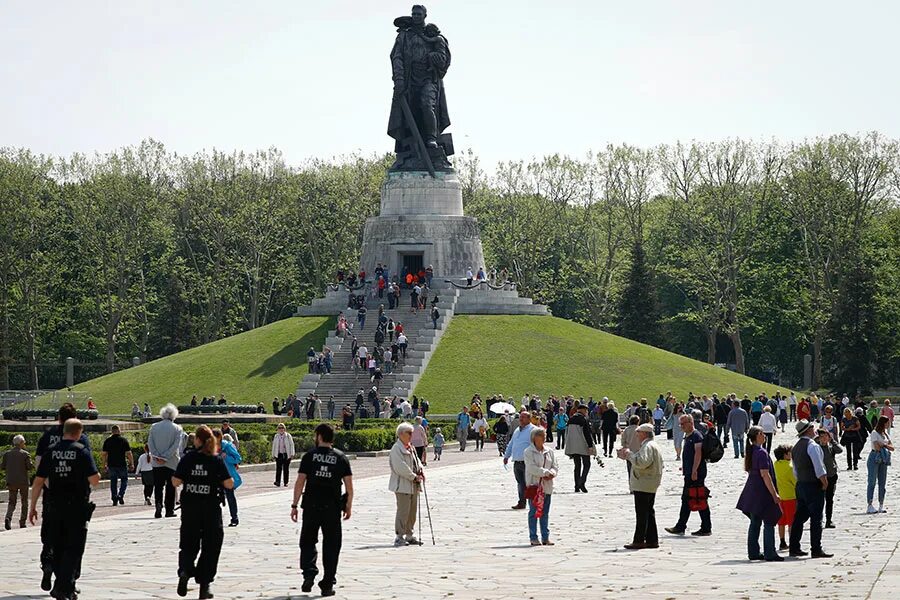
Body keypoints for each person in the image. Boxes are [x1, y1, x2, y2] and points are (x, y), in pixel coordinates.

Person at [28, 418, 100, 600]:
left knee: (58, 546)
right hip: (76, 507)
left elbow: (38, 482)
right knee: (74, 548)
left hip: (54, 506)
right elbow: (94, 480)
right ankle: (64, 586)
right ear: (78, 433)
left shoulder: (51, 453)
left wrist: (32, 507)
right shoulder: (81, 451)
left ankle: (61, 583)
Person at [291, 423, 353, 597]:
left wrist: (294, 505)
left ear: (318, 436)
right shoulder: (341, 457)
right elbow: (349, 486)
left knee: (308, 541)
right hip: (332, 508)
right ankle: (327, 584)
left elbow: (300, 482)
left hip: (311, 505)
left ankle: (309, 573)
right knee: (332, 545)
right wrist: (348, 506)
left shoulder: (309, 456)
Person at [172, 425, 233, 599]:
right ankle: (204, 585)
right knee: (211, 546)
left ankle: (185, 570)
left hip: (190, 509)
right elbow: (229, 483)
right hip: (210, 510)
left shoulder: (188, 458)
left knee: (188, 544)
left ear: (197, 440)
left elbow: (176, 482)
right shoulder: (215, 460)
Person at [735, 426, 783, 561]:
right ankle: (770, 552)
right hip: (762, 491)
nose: (764, 435)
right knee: (769, 520)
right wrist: (774, 494)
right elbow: (765, 474)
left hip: (752, 489)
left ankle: (753, 552)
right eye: (761, 433)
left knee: (755, 522)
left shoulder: (752, 451)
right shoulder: (761, 452)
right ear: (756, 436)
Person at [788, 420, 833, 558]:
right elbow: (819, 467)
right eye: (812, 427)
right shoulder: (812, 446)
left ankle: (794, 547)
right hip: (813, 485)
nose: (814, 430)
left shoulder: (795, 447)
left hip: (801, 484)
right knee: (816, 518)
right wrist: (824, 482)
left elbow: (795, 470)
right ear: (808, 430)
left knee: (799, 517)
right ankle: (816, 549)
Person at [618, 423, 663, 550]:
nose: (637, 435)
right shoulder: (652, 445)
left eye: (638, 432)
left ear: (644, 433)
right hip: (650, 482)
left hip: (644, 482)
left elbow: (642, 462)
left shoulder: (648, 446)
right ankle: (652, 539)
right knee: (649, 512)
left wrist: (629, 454)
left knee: (642, 513)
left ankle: (639, 540)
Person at [665, 414, 712, 536]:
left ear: (691, 423)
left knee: (697, 497)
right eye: (680, 424)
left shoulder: (696, 436)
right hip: (690, 472)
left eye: (683, 424)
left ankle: (697, 527)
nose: (681, 426)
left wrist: (694, 470)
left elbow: (698, 454)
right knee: (691, 498)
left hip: (696, 473)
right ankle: (687, 526)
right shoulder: (689, 436)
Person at [389, 422, 424, 546]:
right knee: (403, 511)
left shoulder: (410, 447)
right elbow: (400, 467)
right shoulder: (396, 448)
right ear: (401, 434)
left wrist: (420, 470)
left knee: (412, 511)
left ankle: (410, 534)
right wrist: (413, 476)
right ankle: (399, 536)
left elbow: (417, 461)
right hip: (402, 485)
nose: (411, 435)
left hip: (413, 485)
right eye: (409, 433)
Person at [148, 403, 185, 519]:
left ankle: (158, 505)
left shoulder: (154, 427)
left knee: (158, 486)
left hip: (156, 462)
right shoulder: (177, 428)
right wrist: (165, 457)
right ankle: (169, 510)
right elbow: (176, 446)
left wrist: (157, 456)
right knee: (171, 487)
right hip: (171, 462)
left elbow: (150, 443)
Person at [524, 427, 558, 546]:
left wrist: (552, 473)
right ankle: (533, 537)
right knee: (533, 512)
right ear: (534, 438)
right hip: (534, 486)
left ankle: (545, 537)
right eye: (541, 436)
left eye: (544, 436)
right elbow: (531, 468)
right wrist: (545, 473)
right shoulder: (529, 451)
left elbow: (554, 465)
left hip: (547, 486)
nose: (543, 438)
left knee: (545, 512)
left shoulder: (549, 451)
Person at [504, 412, 536, 510]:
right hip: (517, 462)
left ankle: (533, 503)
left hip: (528, 462)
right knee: (520, 483)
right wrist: (506, 456)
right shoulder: (517, 430)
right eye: (520, 417)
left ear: (529, 419)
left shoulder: (533, 430)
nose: (521, 419)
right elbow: (512, 443)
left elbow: (537, 445)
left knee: (529, 483)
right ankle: (522, 502)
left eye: (523, 417)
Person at [2, 434, 33, 530]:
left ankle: (8, 517)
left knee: (12, 501)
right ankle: (22, 522)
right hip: (23, 481)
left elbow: (2, 466)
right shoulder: (25, 454)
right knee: (24, 502)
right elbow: (29, 467)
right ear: (21, 443)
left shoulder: (7, 454)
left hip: (11, 481)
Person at [565, 404, 596, 493]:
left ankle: (576, 486)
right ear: (582, 410)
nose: (587, 412)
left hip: (573, 446)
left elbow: (567, 433)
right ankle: (582, 482)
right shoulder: (583, 419)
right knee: (587, 464)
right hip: (583, 445)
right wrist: (590, 446)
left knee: (577, 466)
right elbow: (587, 433)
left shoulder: (570, 419)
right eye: (586, 411)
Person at [100, 425, 134, 506]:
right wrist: (131, 463)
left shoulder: (107, 441)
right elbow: (129, 453)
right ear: (119, 431)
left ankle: (114, 498)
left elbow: (104, 454)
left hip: (112, 464)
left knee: (113, 482)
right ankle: (121, 495)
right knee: (124, 480)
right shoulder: (123, 440)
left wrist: (104, 464)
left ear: (112, 431)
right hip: (122, 464)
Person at [866, 416, 894, 514]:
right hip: (875, 457)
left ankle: (881, 504)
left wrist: (883, 445)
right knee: (872, 481)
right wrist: (885, 445)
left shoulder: (885, 434)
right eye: (887, 423)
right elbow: (877, 447)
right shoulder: (874, 433)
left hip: (884, 458)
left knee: (882, 482)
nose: (889, 424)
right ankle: (869, 504)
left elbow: (892, 447)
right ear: (883, 423)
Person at [214, 430, 242, 527]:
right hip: (215, 477)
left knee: (230, 497)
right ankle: (215, 519)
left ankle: (234, 518)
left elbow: (238, 458)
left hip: (227, 476)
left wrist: (226, 457)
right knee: (214, 498)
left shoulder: (227, 446)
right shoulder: (210, 447)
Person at [817, 428, 841, 528]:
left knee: (829, 499)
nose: (824, 438)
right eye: (821, 437)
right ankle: (818, 519)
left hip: (831, 475)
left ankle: (828, 520)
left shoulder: (831, 447)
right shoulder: (816, 448)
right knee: (819, 499)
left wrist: (832, 440)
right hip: (820, 477)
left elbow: (840, 450)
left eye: (825, 436)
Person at [773, 444, 796, 551]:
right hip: (790, 496)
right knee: (792, 521)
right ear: (785, 455)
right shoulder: (790, 467)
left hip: (779, 497)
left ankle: (782, 541)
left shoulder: (775, 465)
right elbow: (795, 482)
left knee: (781, 521)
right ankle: (793, 542)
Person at [271, 423, 296, 487]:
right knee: (278, 469)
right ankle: (277, 482)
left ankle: (286, 482)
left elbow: (291, 445)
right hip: (279, 454)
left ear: (284, 429)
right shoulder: (276, 436)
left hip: (286, 455)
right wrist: (273, 454)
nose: (281, 429)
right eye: (279, 428)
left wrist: (292, 454)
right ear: (277, 429)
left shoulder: (288, 436)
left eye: (282, 428)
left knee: (286, 469)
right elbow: (274, 445)